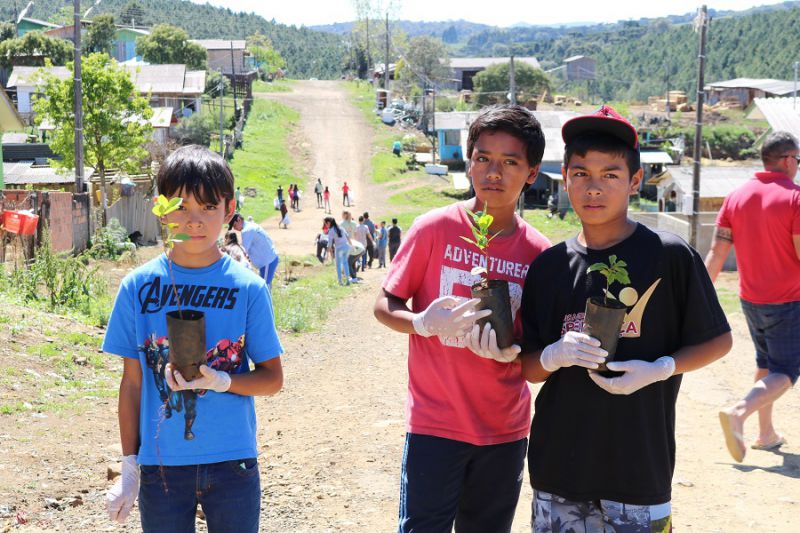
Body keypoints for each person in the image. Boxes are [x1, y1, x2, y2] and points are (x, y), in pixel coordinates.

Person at [508, 105, 732, 532]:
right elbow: (528, 369)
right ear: (566, 178)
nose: (593, 188)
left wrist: (661, 368)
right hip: (559, 471)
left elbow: (718, 340)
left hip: (640, 472)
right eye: (580, 174)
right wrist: (554, 355)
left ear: (634, 181)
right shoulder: (550, 267)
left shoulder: (669, 256)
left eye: (609, 175)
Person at [374, 104, 552, 532]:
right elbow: (385, 304)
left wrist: (516, 352)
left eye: (510, 162)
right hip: (435, 425)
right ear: (469, 161)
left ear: (531, 172)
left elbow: (536, 354)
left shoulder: (541, 254)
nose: (494, 172)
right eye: (483, 158)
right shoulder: (433, 229)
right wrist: (421, 323)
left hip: (504, 431)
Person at [103, 145, 283, 532]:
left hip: (233, 463)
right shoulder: (138, 286)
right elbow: (132, 384)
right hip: (161, 467)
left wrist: (224, 381)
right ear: (160, 207)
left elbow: (272, 378)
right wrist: (130, 465)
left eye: (208, 207)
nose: (195, 220)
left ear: (229, 208)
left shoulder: (248, 288)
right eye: (181, 207)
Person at [705, 130, 800, 462]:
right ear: (788, 160)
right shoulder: (796, 198)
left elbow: (716, 254)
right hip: (789, 300)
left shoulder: (736, 197)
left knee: (765, 363)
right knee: (786, 370)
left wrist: (699, 298)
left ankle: (766, 433)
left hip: (751, 299)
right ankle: (739, 413)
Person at [229, 213, 280, 289]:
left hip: (267, 261)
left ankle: (266, 301)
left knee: (263, 287)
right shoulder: (250, 226)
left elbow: (243, 250)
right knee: (265, 285)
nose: (234, 229)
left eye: (234, 225)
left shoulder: (247, 230)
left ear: (239, 219)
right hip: (269, 260)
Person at [325, 216, 350, 285]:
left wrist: (327, 252)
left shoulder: (331, 230)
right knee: (345, 263)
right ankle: (347, 280)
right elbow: (347, 236)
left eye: (326, 224)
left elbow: (330, 243)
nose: (326, 225)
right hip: (346, 247)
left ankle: (340, 281)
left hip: (339, 248)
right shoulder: (341, 227)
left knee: (338, 265)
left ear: (329, 223)